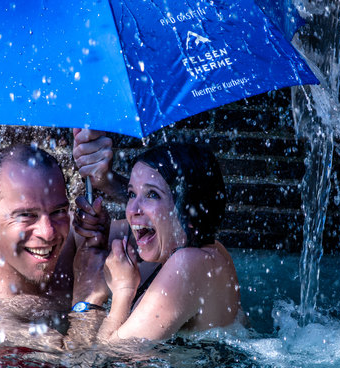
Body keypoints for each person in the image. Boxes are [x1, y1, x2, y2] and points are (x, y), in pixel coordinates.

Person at [0, 143, 109, 340]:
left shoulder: (75, 241)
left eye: (58, 212)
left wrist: (109, 195)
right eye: (26, 215)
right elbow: (77, 362)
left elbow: (144, 244)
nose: (48, 233)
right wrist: (88, 296)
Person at [75, 138, 241, 342]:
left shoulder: (188, 264)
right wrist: (96, 232)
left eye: (152, 194)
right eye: (131, 194)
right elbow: (71, 235)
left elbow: (108, 361)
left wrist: (111, 293)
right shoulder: (192, 249)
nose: (132, 210)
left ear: (191, 211)